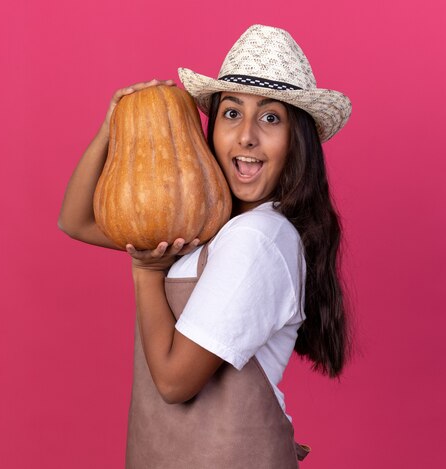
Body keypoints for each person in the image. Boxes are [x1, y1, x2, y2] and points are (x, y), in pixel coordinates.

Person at [58, 24, 353, 468]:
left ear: (298, 142)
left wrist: (147, 272)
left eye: (271, 118)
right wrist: (112, 126)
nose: (246, 136)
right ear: (212, 126)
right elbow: (76, 221)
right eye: (232, 113)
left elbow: (175, 383)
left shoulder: (258, 237)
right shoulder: (211, 227)